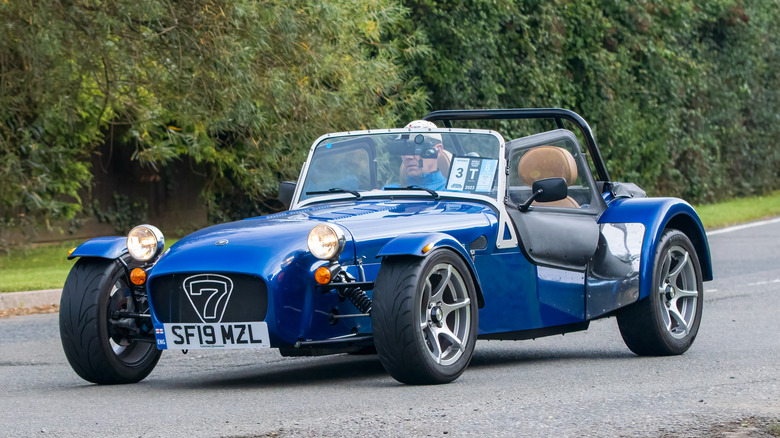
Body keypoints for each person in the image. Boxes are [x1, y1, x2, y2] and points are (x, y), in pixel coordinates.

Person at [398, 120, 450, 191]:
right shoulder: (387, 192)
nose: (407, 156)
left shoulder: (457, 195)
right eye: (404, 149)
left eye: (416, 148)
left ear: (438, 150)